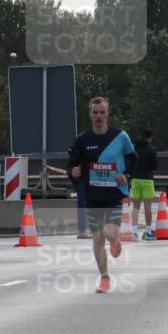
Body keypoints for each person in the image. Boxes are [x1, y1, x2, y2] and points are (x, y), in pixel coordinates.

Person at [69, 97, 137, 294]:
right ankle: (104, 278)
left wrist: (127, 175)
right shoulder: (83, 140)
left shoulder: (120, 136)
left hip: (114, 193)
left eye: (102, 112)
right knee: (97, 237)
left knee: (108, 232)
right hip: (93, 194)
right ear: (90, 115)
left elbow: (133, 158)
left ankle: (115, 240)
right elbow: (72, 163)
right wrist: (73, 173)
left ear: (107, 114)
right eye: (95, 113)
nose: (98, 116)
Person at [130, 129, 158, 240]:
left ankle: (134, 232)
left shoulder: (134, 148)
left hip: (135, 179)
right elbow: (154, 166)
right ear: (150, 138)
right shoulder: (151, 149)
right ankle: (147, 231)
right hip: (147, 179)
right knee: (148, 207)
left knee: (135, 207)